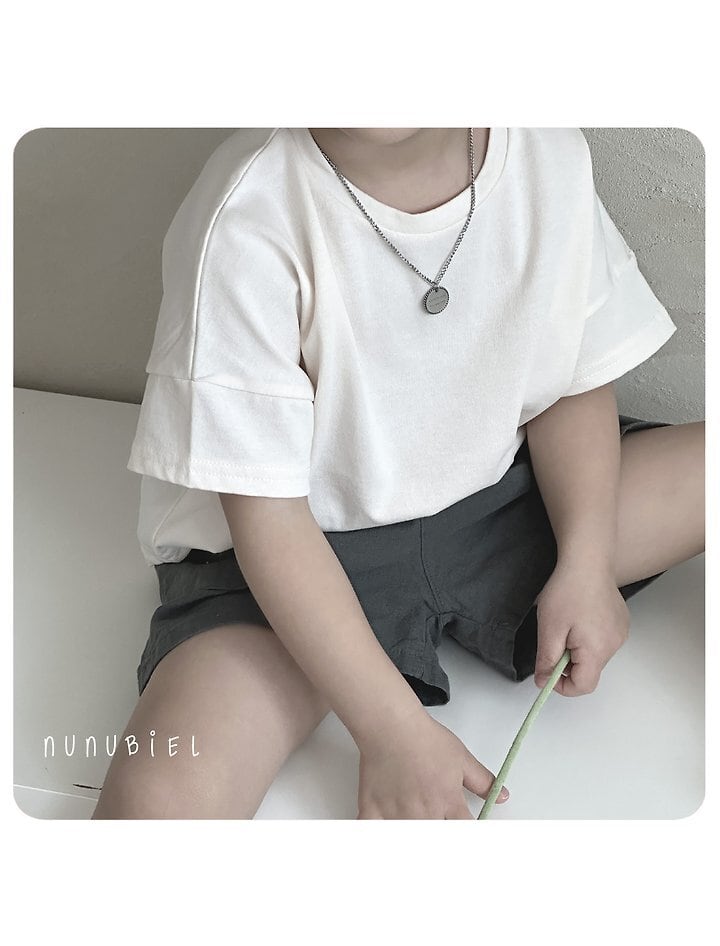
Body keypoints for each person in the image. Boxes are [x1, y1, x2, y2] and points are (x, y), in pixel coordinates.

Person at [92, 127, 704, 820]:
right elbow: (268, 516)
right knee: (160, 804)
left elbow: (570, 380)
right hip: (297, 564)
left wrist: (586, 564)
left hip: (500, 505)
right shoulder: (247, 214)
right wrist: (390, 729)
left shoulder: (545, 149)